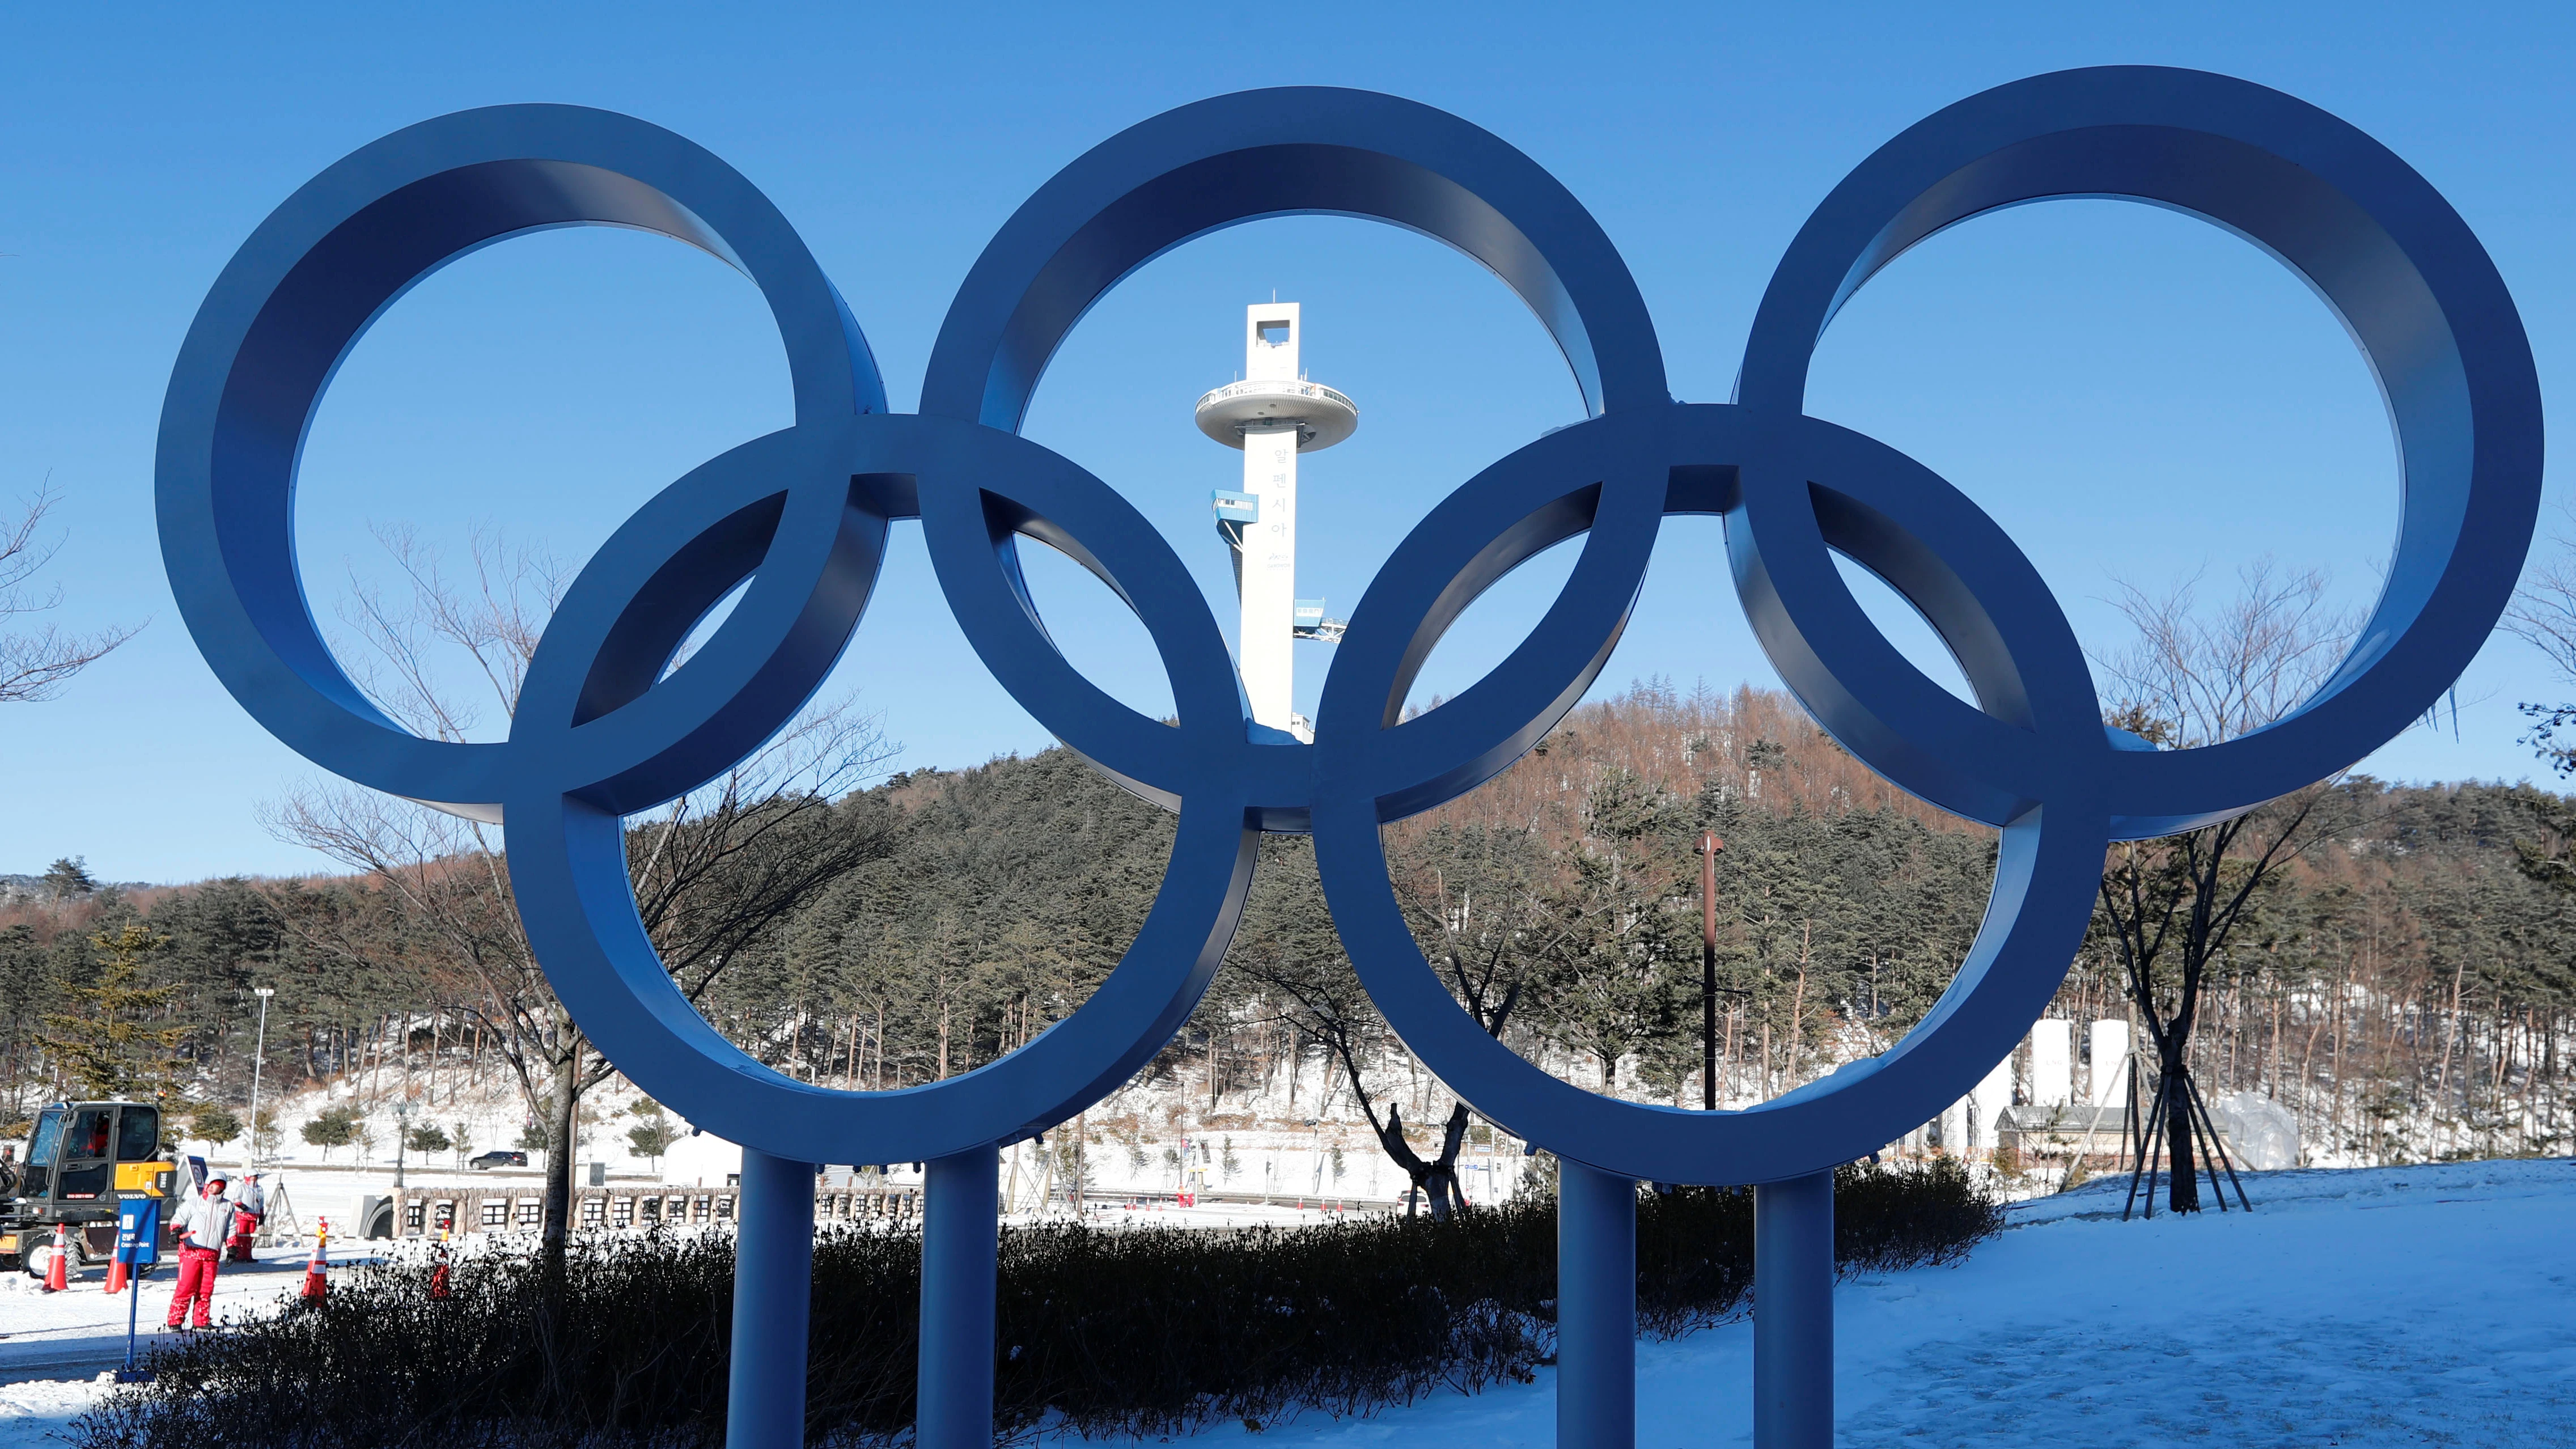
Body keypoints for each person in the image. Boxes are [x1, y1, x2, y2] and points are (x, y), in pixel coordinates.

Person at [165, 1174, 233, 1329]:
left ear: (222, 1188)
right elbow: (178, 1219)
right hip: (191, 1252)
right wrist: (175, 1232)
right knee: (186, 1287)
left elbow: (231, 1228)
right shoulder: (194, 1203)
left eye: (218, 1186)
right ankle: (175, 1321)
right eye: (212, 1184)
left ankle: (201, 1321)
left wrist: (232, 1248)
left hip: (211, 1255)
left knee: (206, 1289)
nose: (213, 1188)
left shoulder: (228, 1207)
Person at [225, 1172, 265, 1263]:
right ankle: (239, 1256)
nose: (255, 1179)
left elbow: (261, 1203)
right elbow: (236, 1199)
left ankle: (248, 1256)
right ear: (248, 1177)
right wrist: (242, 1206)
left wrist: (261, 1215)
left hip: (254, 1217)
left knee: (250, 1237)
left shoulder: (259, 1189)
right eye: (253, 1177)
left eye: (256, 1177)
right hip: (242, 1216)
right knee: (241, 1236)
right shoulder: (242, 1188)